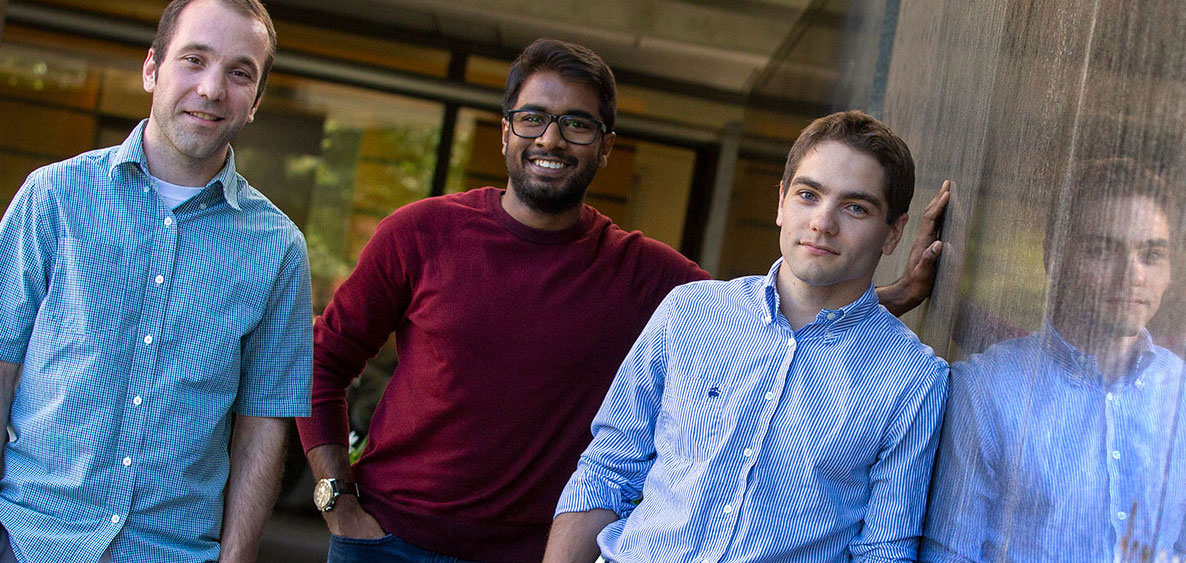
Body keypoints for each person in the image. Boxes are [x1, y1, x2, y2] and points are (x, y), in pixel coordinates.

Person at [296, 39, 948, 562]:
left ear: (606, 147)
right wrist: (337, 499)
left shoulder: (646, 275)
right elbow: (321, 362)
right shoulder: (421, 231)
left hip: (527, 550)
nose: (551, 139)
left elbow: (775, 317)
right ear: (504, 133)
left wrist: (888, 297)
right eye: (533, 118)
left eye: (578, 124)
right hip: (389, 540)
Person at [545, 110, 949, 563]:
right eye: (808, 195)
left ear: (893, 232)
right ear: (781, 202)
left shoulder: (914, 379)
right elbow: (606, 472)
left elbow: (883, 550)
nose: (822, 222)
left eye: (855, 207)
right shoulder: (689, 313)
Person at [0, 0, 312, 561]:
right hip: (30, 538)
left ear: (257, 98)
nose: (212, 88)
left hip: (173, 551)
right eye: (194, 59)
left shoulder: (278, 249)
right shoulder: (52, 198)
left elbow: (263, 425)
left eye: (240, 72)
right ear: (152, 69)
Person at [921, 158, 1186, 562]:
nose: (1131, 275)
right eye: (1102, 250)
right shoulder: (986, 391)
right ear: (1053, 256)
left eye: (1151, 255)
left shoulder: (1180, 391)